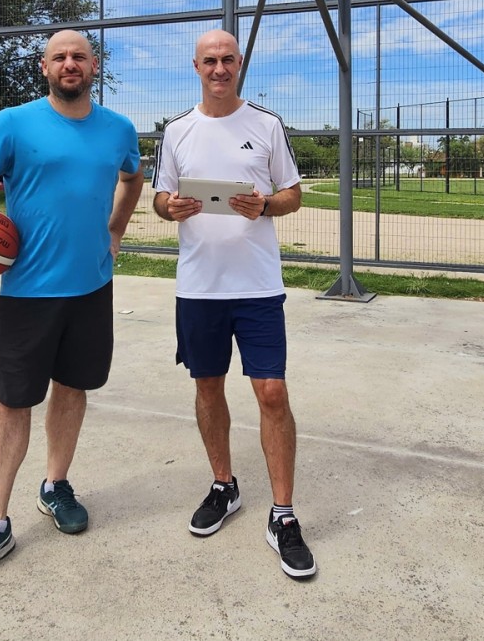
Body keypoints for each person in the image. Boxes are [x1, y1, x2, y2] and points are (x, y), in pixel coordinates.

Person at [0, 30, 143, 589]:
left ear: (94, 66)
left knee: (73, 388)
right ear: (44, 67)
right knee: (13, 403)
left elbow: (132, 179)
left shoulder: (119, 129)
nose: (70, 63)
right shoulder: (11, 124)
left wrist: (115, 229)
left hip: (92, 289)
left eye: (79, 56)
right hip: (28, 295)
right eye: (59, 56)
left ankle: (55, 486)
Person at [152, 29, 315, 580]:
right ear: (195, 66)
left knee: (272, 392)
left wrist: (265, 205)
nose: (219, 69)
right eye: (210, 61)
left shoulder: (266, 125)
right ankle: (224, 486)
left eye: (227, 60)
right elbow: (160, 197)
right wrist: (170, 207)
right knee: (207, 388)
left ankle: (283, 514)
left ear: (239, 63)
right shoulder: (177, 130)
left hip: (258, 287)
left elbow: (293, 194)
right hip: (199, 288)